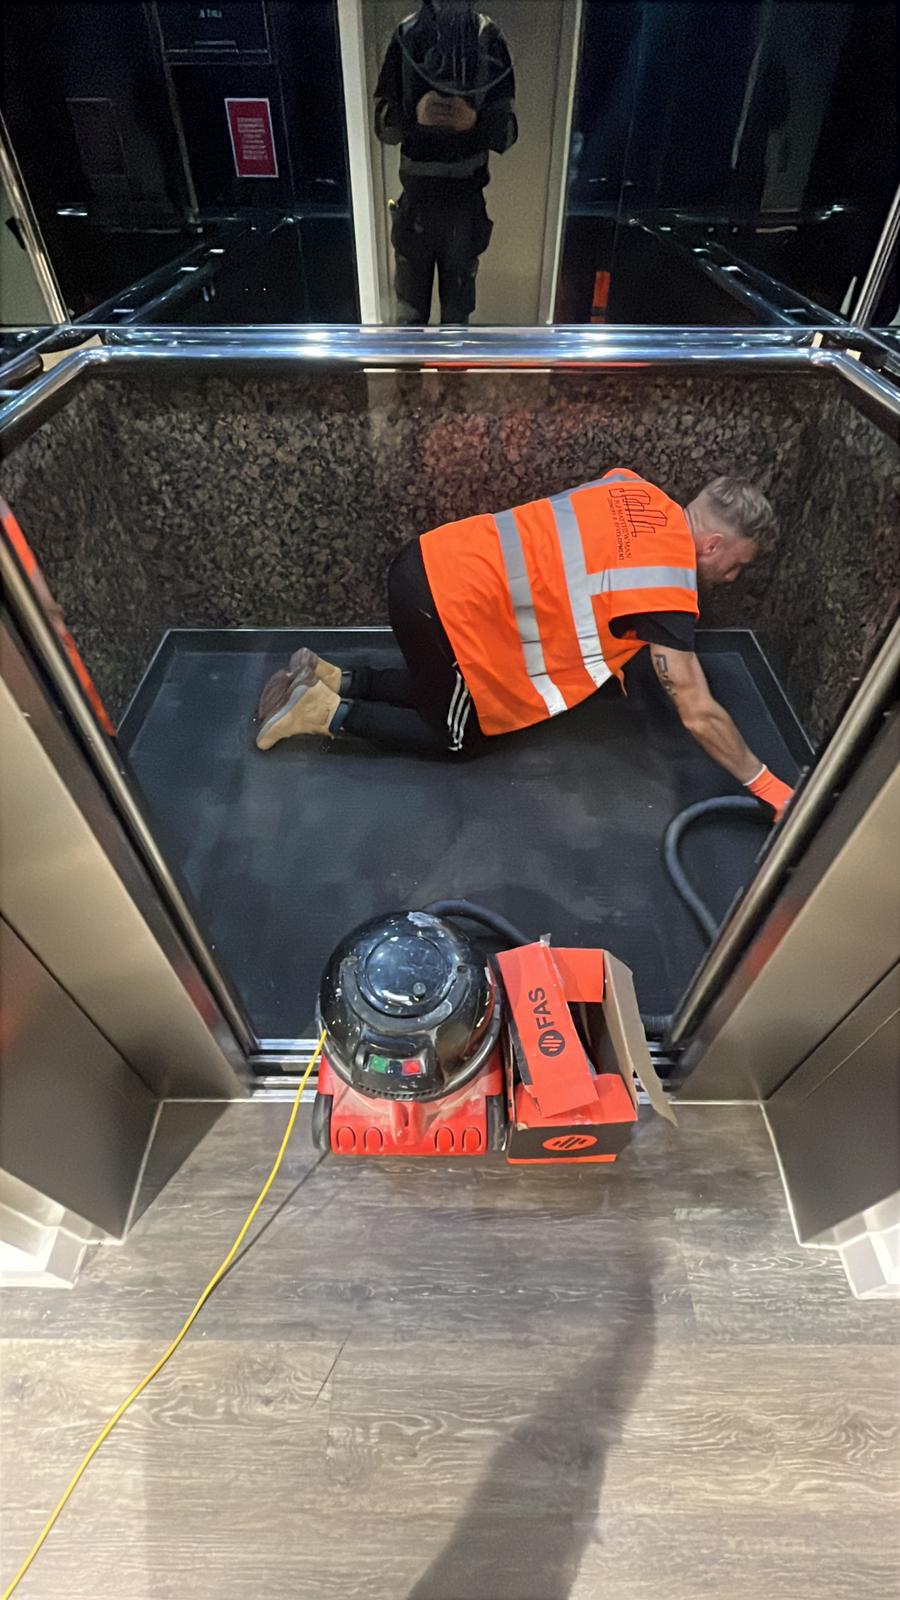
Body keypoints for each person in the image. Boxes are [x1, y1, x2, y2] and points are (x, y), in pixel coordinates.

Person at [255, 471, 795, 821]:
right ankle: (322, 711)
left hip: (427, 560)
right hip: (445, 608)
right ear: (713, 544)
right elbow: (698, 711)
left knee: (448, 691)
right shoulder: (666, 582)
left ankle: (336, 677)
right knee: (458, 734)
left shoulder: (634, 488)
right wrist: (768, 785)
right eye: (737, 565)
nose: (732, 579)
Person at [374, 0, 517, 325]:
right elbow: (383, 123)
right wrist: (414, 116)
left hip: (462, 204)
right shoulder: (408, 34)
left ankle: (451, 364)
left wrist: (472, 121)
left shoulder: (486, 37)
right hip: (419, 205)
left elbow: (506, 132)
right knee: (410, 320)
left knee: (456, 322)